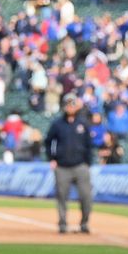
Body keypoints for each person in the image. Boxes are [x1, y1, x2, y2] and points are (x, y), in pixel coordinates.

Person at [45, 94, 96, 234]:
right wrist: (52, 158)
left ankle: (84, 223)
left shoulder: (83, 123)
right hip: (62, 166)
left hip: (80, 165)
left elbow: (89, 145)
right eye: (67, 104)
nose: (70, 107)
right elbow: (48, 141)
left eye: (72, 104)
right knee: (61, 196)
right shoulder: (57, 124)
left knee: (86, 196)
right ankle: (62, 223)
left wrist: (88, 163)